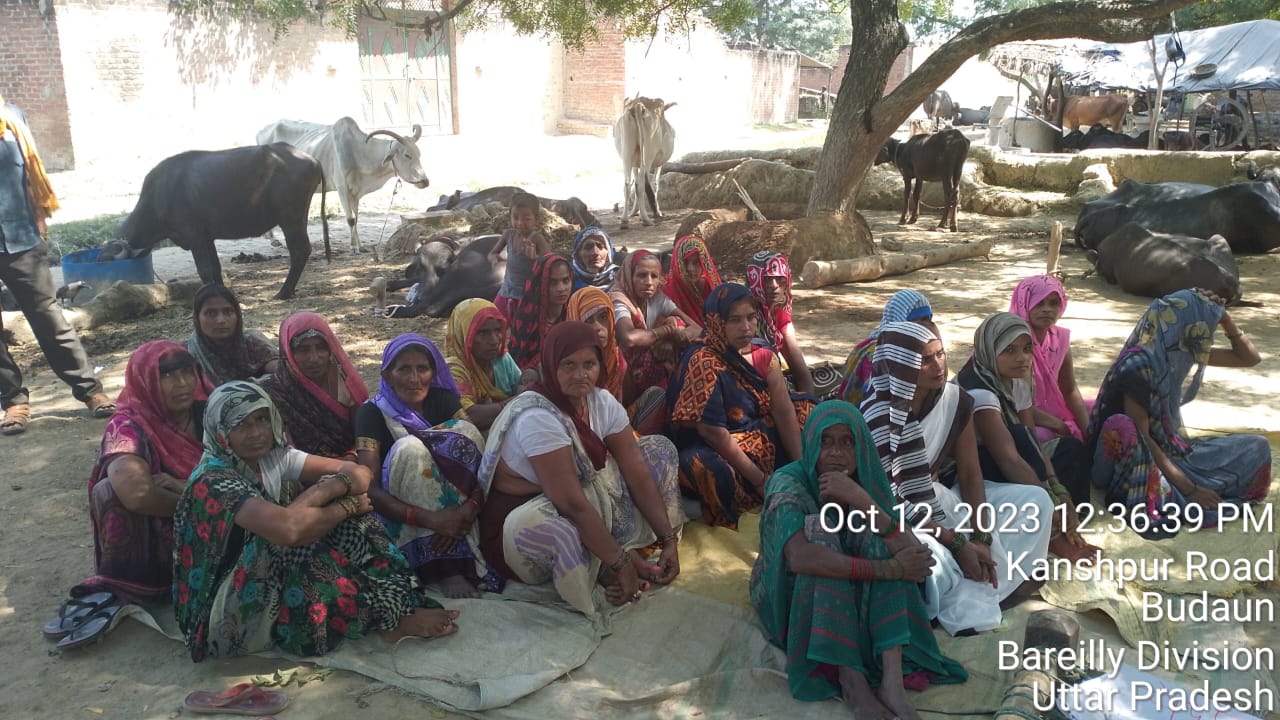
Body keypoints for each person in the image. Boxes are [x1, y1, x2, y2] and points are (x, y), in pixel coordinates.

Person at [174, 381, 460, 660]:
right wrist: (336, 500)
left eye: (262, 419)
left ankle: (398, 605)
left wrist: (332, 496)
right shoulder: (215, 479)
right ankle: (383, 619)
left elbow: (359, 474)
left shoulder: (273, 457)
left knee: (354, 523)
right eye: (241, 424)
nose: (257, 432)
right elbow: (288, 530)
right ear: (221, 431)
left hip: (265, 573)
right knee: (300, 543)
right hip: (223, 612)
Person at [751, 400, 967, 719]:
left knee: (880, 540)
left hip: (851, 579)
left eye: (847, 442)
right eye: (826, 441)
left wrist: (863, 501)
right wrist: (889, 569)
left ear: (861, 446)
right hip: (795, 593)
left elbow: (914, 556)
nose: (835, 453)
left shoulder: (864, 478)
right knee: (820, 535)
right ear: (811, 443)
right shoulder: (789, 482)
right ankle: (852, 681)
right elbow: (800, 558)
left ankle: (891, 682)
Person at [477, 321, 685, 616]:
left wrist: (669, 540)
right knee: (562, 523)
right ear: (550, 367)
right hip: (527, 517)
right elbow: (571, 505)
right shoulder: (538, 417)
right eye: (568, 365)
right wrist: (621, 563)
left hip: (577, 497)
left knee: (657, 451)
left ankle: (612, 554)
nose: (580, 375)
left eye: (589, 364)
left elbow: (636, 471)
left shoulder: (601, 402)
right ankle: (603, 566)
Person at [862, 321, 1053, 635]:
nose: (939, 365)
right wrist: (957, 542)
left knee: (1036, 501)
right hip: (900, 516)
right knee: (928, 557)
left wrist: (981, 536)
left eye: (940, 354)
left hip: (940, 499)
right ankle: (978, 592)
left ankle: (985, 586)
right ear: (902, 365)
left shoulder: (954, 400)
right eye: (925, 359)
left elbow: (970, 473)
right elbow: (887, 500)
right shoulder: (877, 416)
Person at [1088, 289, 1270, 538]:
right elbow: (1143, 439)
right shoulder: (1138, 366)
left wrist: (1226, 320)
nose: (1204, 332)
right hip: (1131, 459)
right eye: (1200, 324)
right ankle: (1173, 492)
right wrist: (1190, 489)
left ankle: (1181, 486)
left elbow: (1249, 358)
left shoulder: (1180, 351)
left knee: (1257, 446)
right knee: (1139, 452)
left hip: (1169, 452)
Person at [0, 96, 114, 435]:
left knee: (49, 319)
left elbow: (29, 173)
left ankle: (89, 390)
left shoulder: (11, 116)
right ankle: (13, 401)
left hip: (21, 238)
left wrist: (39, 222)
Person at [355, 334, 501, 598]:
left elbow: (474, 455)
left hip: (458, 507)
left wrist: (468, 509)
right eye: (404, 369)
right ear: (387, 375)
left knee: (465, 432)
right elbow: (370, 488)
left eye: (422, 368)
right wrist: (432, 519)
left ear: (433, 372)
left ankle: (461, 542)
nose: (414, 379)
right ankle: (446, 568)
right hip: (404, 510)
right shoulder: (372, 413)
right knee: (411, 450)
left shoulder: (442, 400)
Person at [955, 313, 1099, 564]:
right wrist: (1049, 500)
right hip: (973, 471)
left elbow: (1033, 443)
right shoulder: (979, 392)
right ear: (989, 350)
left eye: (1027, 348)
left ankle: (1067, 522)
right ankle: (1054, 537)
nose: (1021, 358)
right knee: (1019, 440)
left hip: (1010, 454)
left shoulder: (1016, 379)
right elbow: (1009, 459)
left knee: (1071, 450)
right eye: (1009, 350)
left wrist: (1058, 489)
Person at [668, 283, 807, 529]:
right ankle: (755, 489)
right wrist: (760, 480)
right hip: (716, 445)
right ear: (716, 322)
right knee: (706, 468)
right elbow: (712, 432)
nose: (746, 327)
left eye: (751, 317)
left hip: (756, 434)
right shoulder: (704, 360)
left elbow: (783, 410)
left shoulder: (764, 354)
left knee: (809, 411)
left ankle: (793, 474)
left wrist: (801, 466)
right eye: (734, 320)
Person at [75, 341, 206, 602]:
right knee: (109, 491)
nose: (182, 383)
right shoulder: (127, 425)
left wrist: (186, 488)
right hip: (168, 534)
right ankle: (137, 584)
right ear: (145, 380)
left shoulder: (209, 412)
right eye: (166, 375)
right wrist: (203, 502)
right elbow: (137, 494)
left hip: (221, 521)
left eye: (187, 372)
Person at [260, 312, 368, 459]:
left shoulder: (345, 385)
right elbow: (286, 454)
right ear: (288, 353)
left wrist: (352, 455)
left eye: (321, 348)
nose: (314, 358)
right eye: (303, 350)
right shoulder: (274, 393)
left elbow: (365, 434)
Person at [611, 249, 699, 406]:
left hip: (646, 363)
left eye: (654, 276)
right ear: (629, 276)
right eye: (641, 275)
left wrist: (670, 340)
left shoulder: (656, 298)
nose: (648, 282)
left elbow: (696, 328)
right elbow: (629, 338)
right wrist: (666, 332)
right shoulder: (619, 299)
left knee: (679, 328)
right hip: (622, 376)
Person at [1008, 276, 1090, 443]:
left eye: (1053, 303)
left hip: (1050, 410)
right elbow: (1014, 403)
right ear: (1024, 303)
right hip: (1014, 414)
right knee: (1042, 435)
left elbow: (1069, 390)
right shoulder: (1011, 340)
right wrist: (1058, 424)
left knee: (1097, 410)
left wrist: (1089, 431)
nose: (1047, 309)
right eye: (1039, 303)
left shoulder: (1059, 338)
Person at [444, 298, 535, 433]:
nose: (494, 340)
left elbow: (522, 386)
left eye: (498, 330)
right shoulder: (454, 369)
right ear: (464, 333)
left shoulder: (501, 359)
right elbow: (470, 416)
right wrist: (518, 400)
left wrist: (529, 377)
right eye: (482, 333)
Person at [840, 290, 934, 406]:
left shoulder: (919, 350)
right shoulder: (877, 354)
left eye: (928, 320)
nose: (925, 327)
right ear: (899, 320)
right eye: (918, 321)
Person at [745, 250, 816, 396]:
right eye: (766, 279)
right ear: (753, 279)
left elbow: (799, 367)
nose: (774, 285)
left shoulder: (779, 315)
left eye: (780, 278)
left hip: (774, 379)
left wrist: (810, 401)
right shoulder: (746, 317)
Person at [186, 284, 277, 387]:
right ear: (197, 318)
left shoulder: (252, 342)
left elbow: (282, 371)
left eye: (228, 312)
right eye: (211, 313)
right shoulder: (188, 354)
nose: (221, 320)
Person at [488, 192, 550, 321]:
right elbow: (492, 253)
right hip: (506, 291)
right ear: (509, 217)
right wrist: (495, 259)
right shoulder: (508, 235)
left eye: (526, 219)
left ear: (536, 219)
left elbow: (550, 262)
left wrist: (536, 258)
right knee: (495, 319)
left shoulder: (537, 239)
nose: (520, 223)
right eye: (515, 217)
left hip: (527, 294)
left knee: (522, 325)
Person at [509, 253, 574, 371]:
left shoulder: (573, 315)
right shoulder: (527, 321)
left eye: (566, 280)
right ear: (540, 284)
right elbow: (519, 364)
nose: (561, 288)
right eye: (553, 282)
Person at [664, 234, 723, 327]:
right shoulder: (667, 292)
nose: (691, 268)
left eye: (696, 262)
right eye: (685, 262)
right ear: (677, 264)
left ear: (704, 263)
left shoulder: (712, 289)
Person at [570, 226, 618, 291]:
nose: (595, 252)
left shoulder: (619, 279)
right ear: (578, 254)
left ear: (608, 253)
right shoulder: (568, 280)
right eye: (588, 247)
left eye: (600, 246)